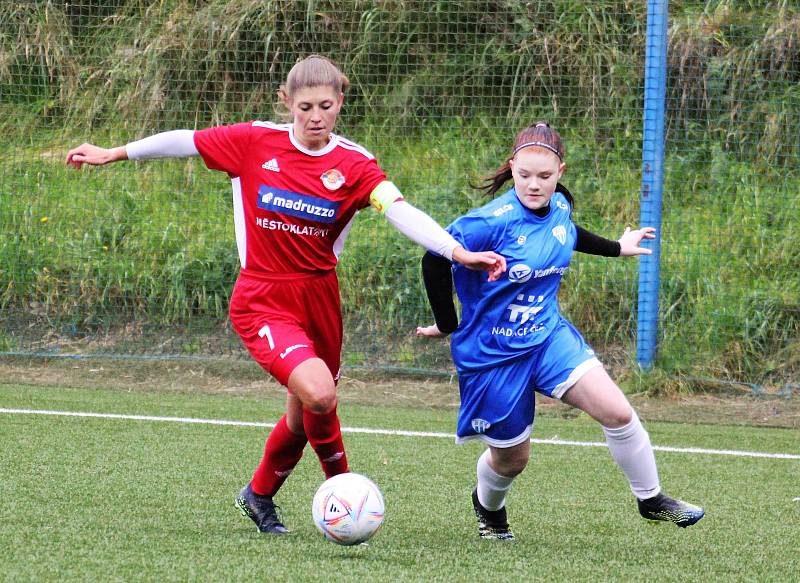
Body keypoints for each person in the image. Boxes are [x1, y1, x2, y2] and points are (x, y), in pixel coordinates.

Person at [66, 55, 506, 535]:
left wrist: (457, 251)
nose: (315, 116)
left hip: (320, 299)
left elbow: (399, 209)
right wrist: (114, 152)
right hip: (263, 297)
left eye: (325, 106)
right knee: (320, 393)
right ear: (286, 103)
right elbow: (184, 141)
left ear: (339, 102)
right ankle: (345, 491)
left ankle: (257, 496)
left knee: (303, 415)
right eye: (304, 107)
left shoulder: (354, 164)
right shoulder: (254, 141)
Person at [416, 121, 704, 540]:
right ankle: (488, 507)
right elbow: (435, 256)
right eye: (525, 175)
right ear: (512, 167)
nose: (534, 185)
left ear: (561, 172)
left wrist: (616, 247)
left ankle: (651, 499)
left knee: (619, 413)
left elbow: (566, 233)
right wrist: (447, 324)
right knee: (512, 460)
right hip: (491, 354)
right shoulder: (488, 222)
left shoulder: (561, 207)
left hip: (547, 338)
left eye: (545, 177)